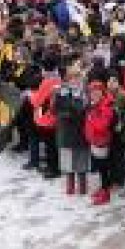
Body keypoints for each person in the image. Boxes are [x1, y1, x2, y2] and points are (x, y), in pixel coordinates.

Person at [53, 65, 90, 197]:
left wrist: (71, 105)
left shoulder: (85, 93)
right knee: (68, 159)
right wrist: (58, 97)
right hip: (66, 131)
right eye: (72, 77)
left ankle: (82, 185)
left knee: (81, 159)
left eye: (77, 77)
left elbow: (83, 111)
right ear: (68, 79)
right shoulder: (62, 92)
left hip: (81, 131)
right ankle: (70, 185)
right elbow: (56, 110)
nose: (75, 80)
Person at [83, 80, 115, 206]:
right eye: (92, 92)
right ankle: (103, 188)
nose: (94, 94)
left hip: (102, 140)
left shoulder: (106, 106)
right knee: (101, 167)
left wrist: (91, 117)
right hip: (94, 140)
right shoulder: (94, 104)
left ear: (102, 92)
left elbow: (103, 125)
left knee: (103, 168)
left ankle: (106, 193)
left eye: (97, 92)